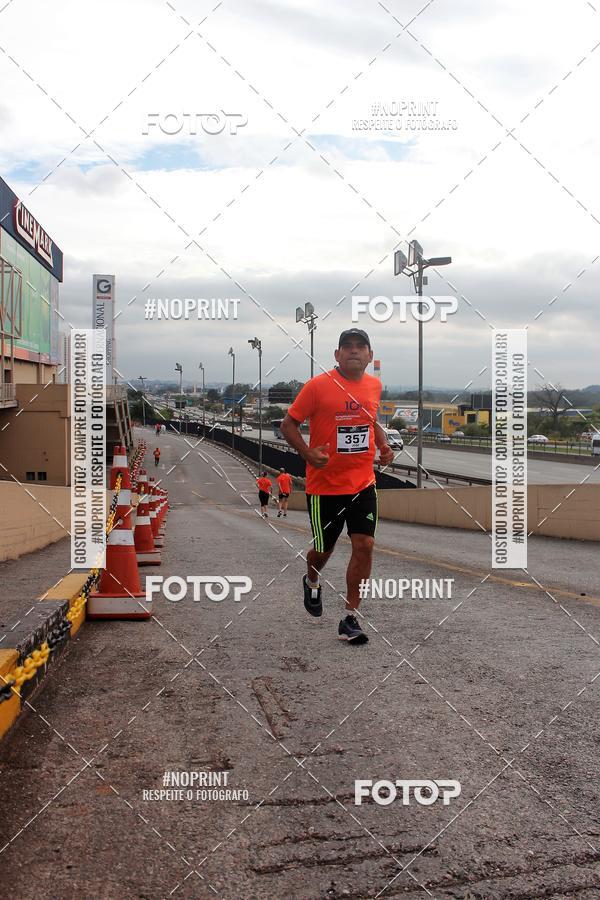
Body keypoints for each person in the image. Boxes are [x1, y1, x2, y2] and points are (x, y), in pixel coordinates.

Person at [281, 329, 394, 645]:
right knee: (323, 550)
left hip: (362, 484)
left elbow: (370, 420)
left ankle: (350, 617)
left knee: (365, 546)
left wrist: (383, 445)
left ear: (370, 355)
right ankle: (312, 578)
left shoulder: (374, 385)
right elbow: (288, 424)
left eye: (361, 348)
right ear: (337, 355)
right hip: (325, 487)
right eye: (348, 347)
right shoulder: (318, 387)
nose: (354, 352)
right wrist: (306, 453)